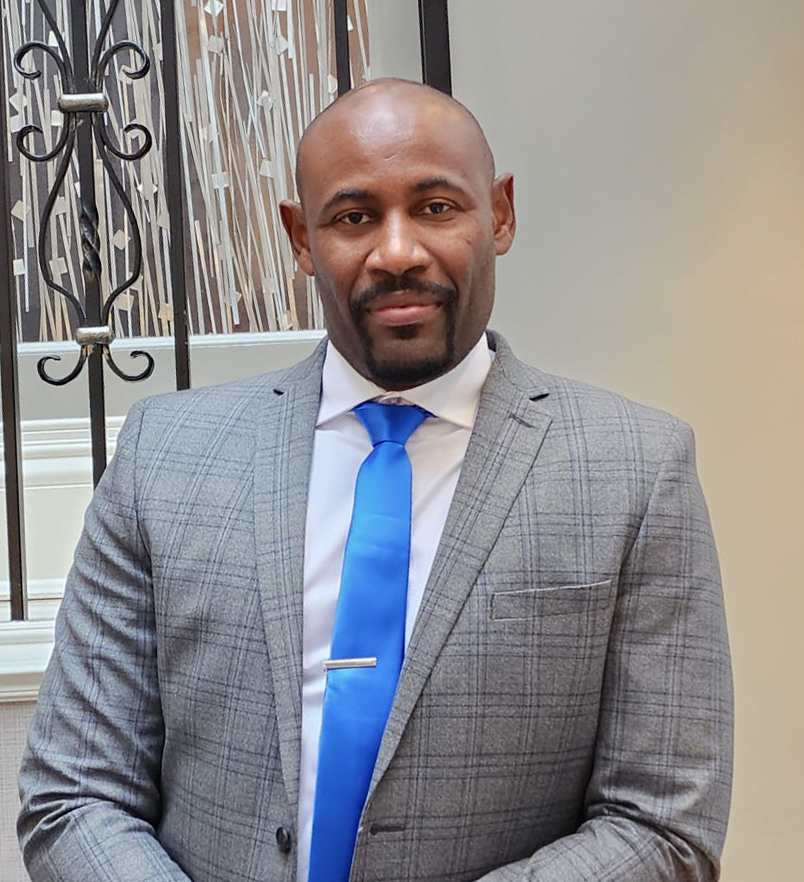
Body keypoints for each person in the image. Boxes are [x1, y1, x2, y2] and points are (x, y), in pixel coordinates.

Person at [18, 78, 733, 882]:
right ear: (300, 237)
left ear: (498, 214)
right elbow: (73, 796)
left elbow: (663, 821)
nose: (398, 252)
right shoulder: (165, 457)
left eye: (436, 207)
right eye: (355, 217)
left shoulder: (636, 469)